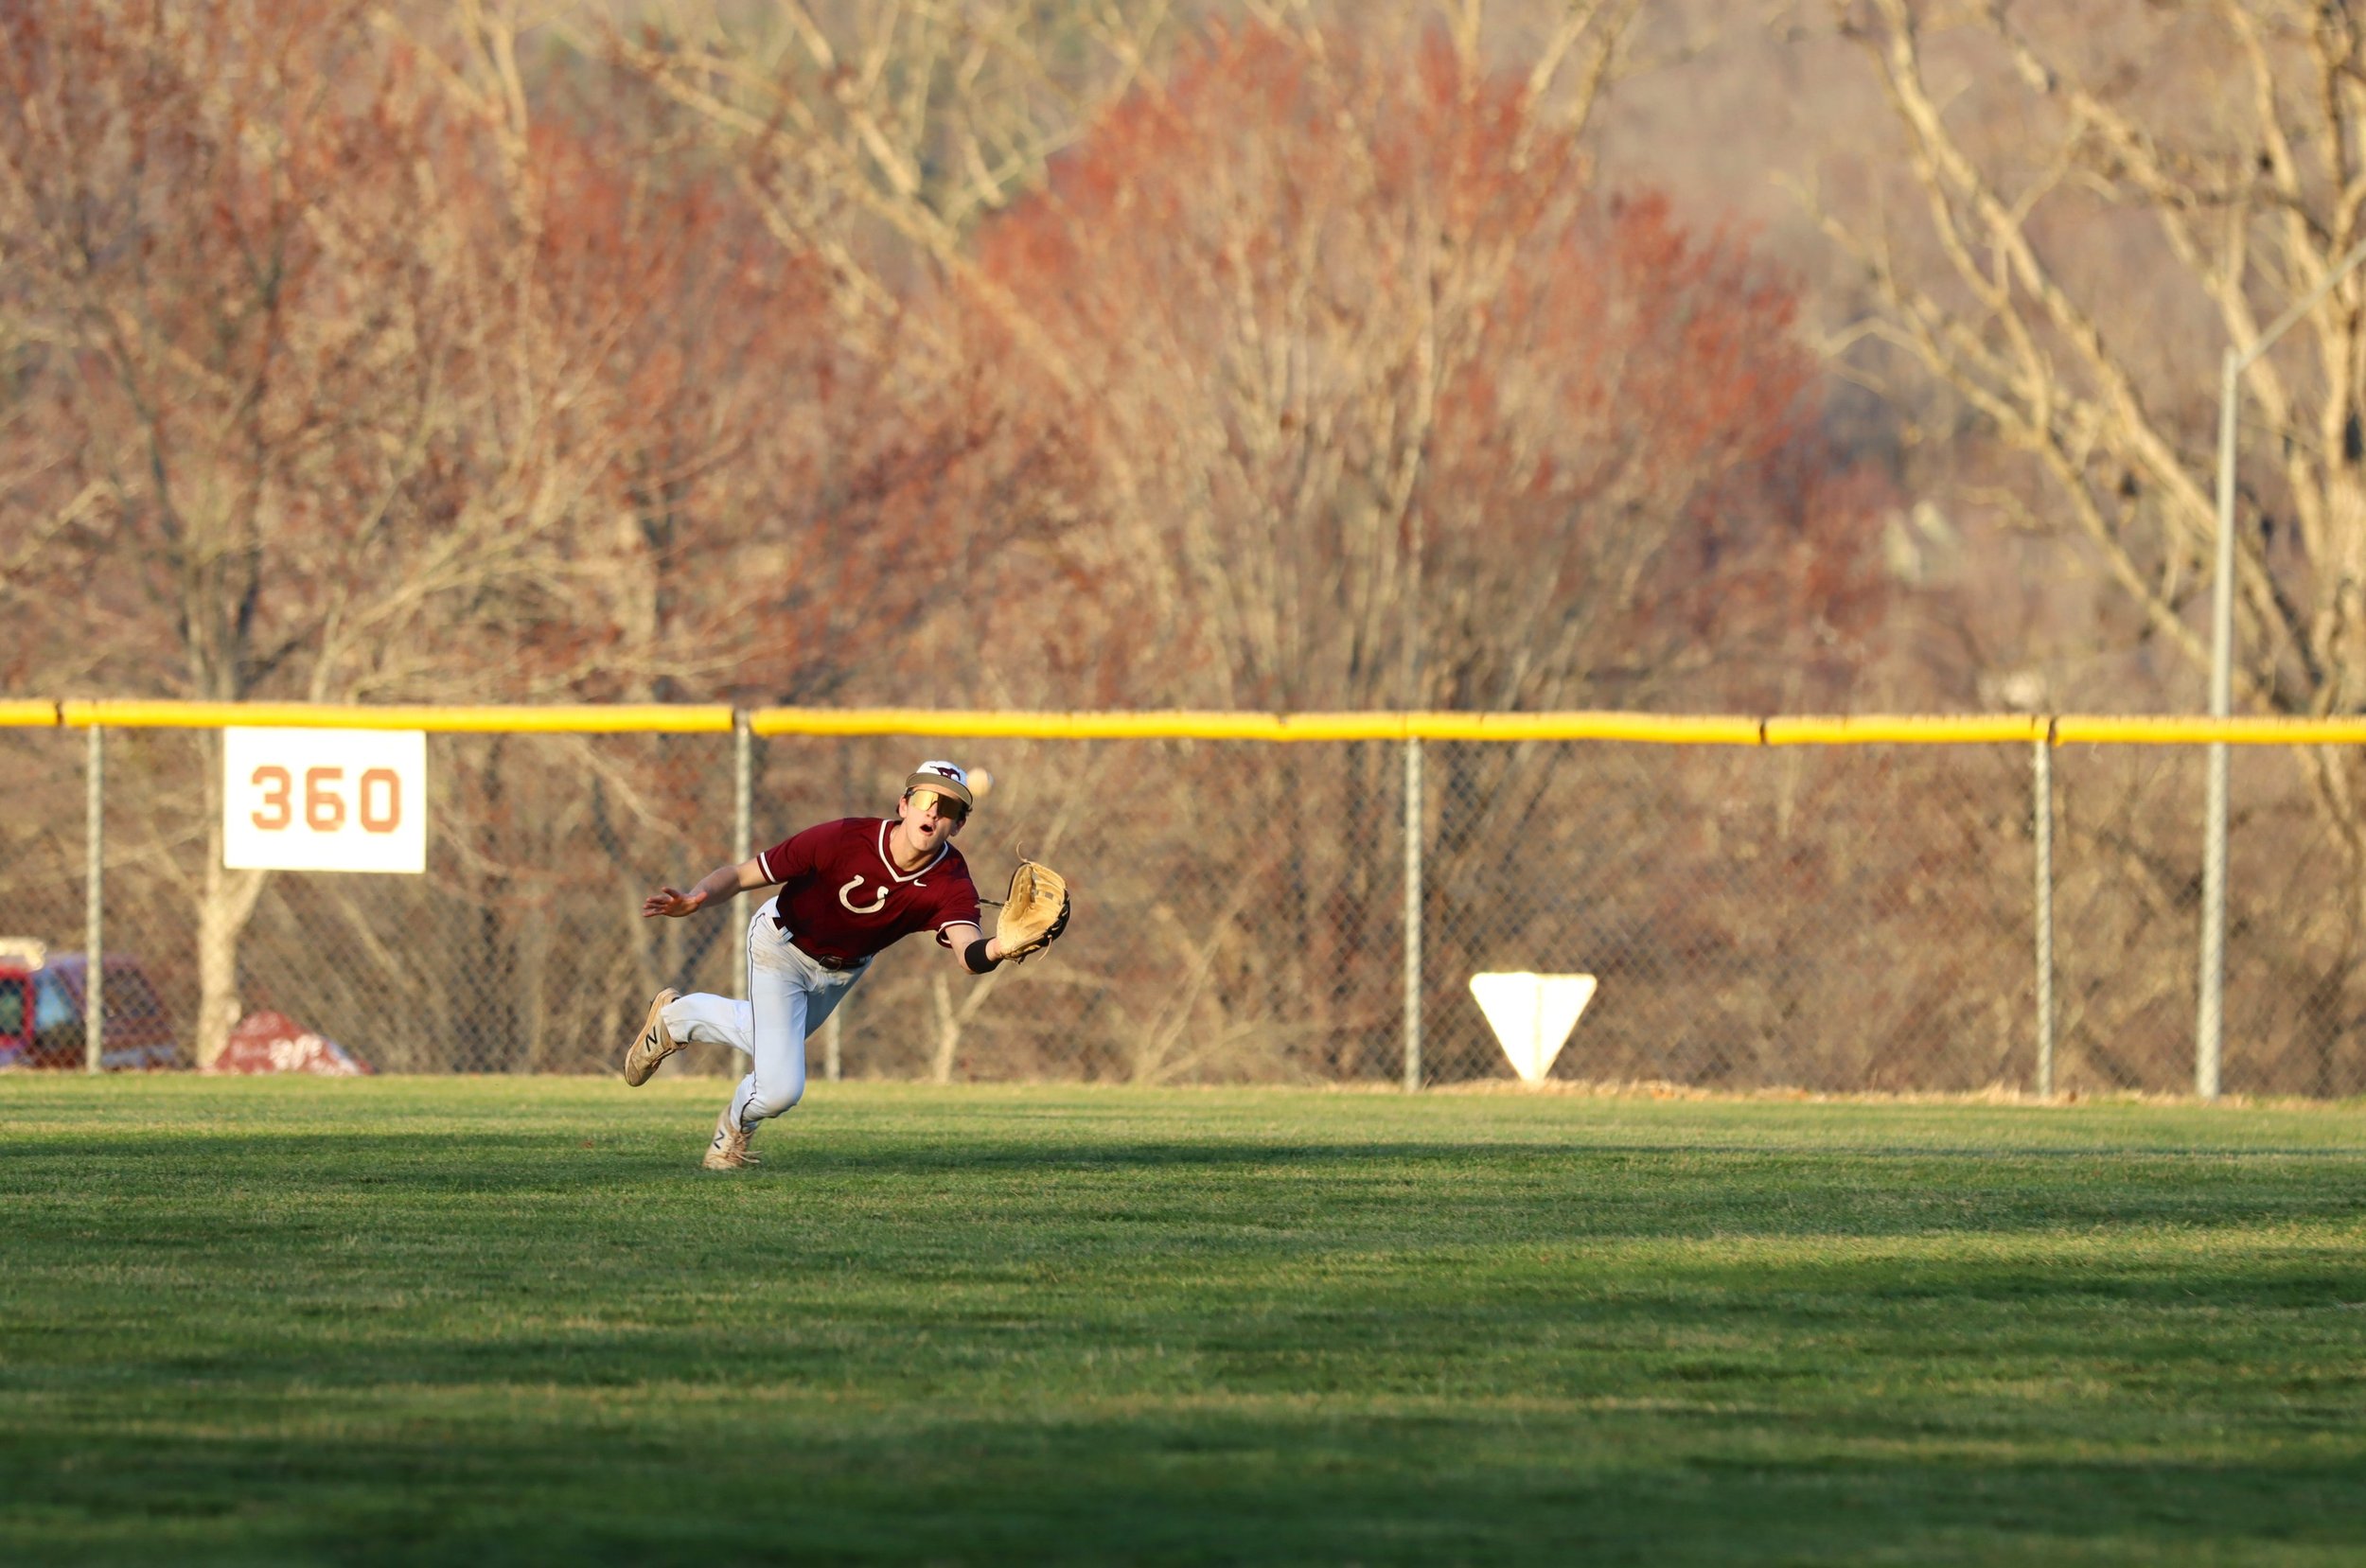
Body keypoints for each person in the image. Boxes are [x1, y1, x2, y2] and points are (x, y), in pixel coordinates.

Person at [626, 760, 1018, 1169]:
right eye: (924, 799)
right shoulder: (844, 838)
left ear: (957, 827)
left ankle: (676, 1019)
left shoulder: (951, 880)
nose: (934, 812)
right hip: (780, 945)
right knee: (780, 1089)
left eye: (949, 809)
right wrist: (696, 898)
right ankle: (730, 1136)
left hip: (841, 971)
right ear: (903, 805)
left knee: (762, 1036)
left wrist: (1001, 947)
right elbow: (743, 875)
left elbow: (970, 955)